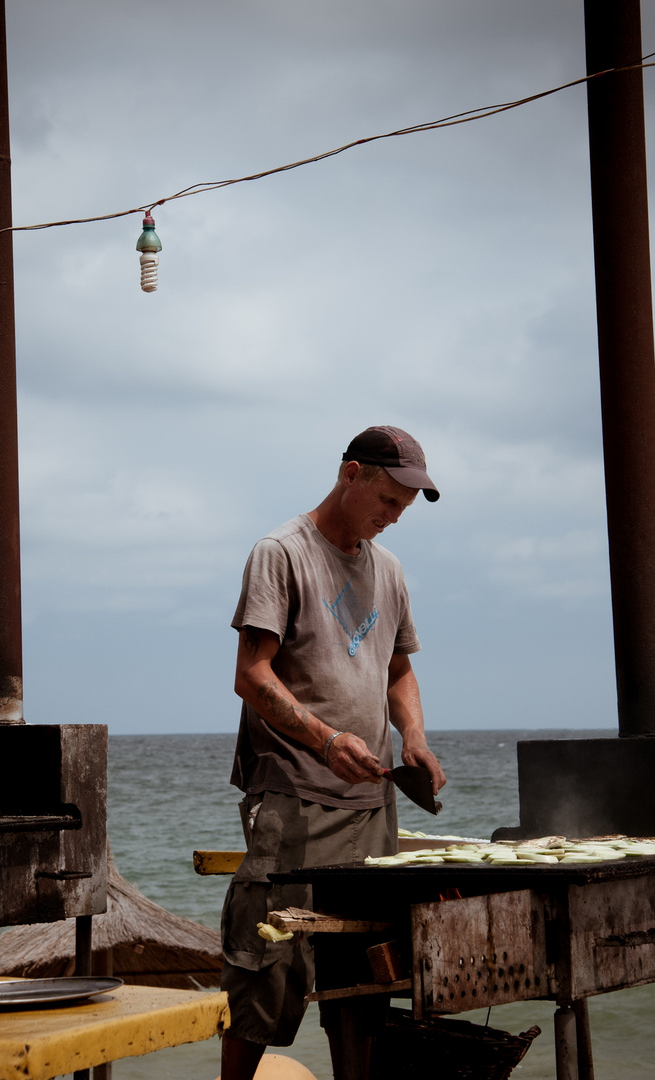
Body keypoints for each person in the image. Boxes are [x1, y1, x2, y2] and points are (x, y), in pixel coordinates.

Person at [220, 426, 448, 1080]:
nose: (395, 515)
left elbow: (398, 670)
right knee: (266, 968)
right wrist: (325, 738)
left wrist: (414, 738)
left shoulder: (391, 570)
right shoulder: (281, 553)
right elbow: (251, 675)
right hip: (292, 800)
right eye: (389, 497)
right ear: (351, 473)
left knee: (365, 980)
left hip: (372, 809)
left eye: (405, 507)